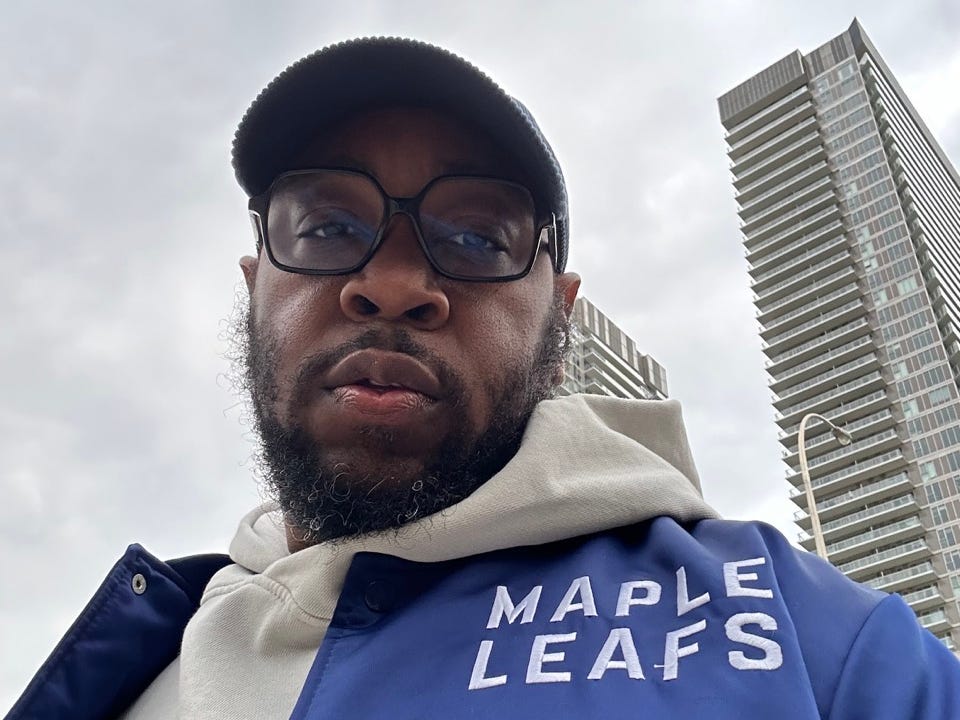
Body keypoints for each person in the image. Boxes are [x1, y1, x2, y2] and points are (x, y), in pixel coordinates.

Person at [9, 37, 960, 720]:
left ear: (561, 312)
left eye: (476, 237)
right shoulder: (133, 666)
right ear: (258, 280)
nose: (389, 285)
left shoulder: (805, 641)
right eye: (328, 226)